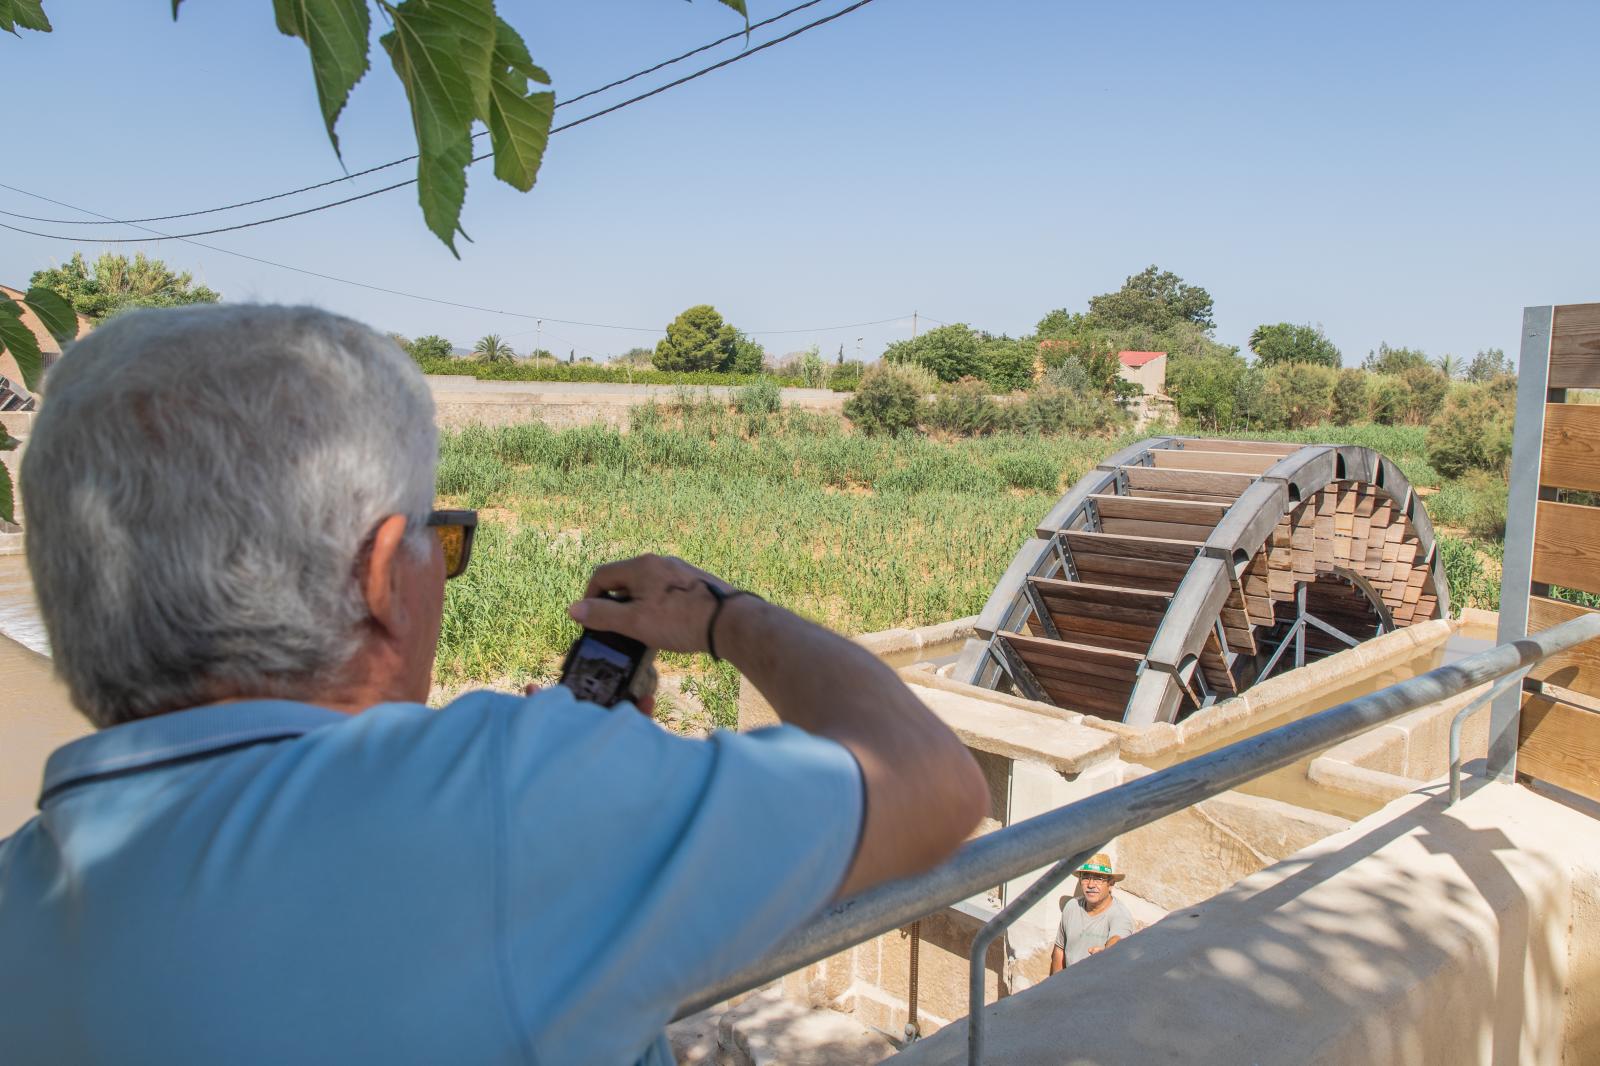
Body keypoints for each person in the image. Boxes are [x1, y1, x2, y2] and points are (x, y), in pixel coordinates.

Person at [0, 305, 988, 1065]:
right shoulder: (506, 803)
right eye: (445, 536)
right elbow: (932, 783)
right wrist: (723, 615)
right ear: (384, 577)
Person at [1049, 853, 1133, 973]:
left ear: (1111, 884)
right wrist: (1055, 986)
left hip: (1098, 988)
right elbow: (1059, 950)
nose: (1091, 885)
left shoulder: (1120, 915)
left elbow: (1117, 939)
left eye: (1099, 878)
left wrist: (1107, 953)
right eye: (1086, 877)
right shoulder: (1072, 906)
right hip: (1069, 986)